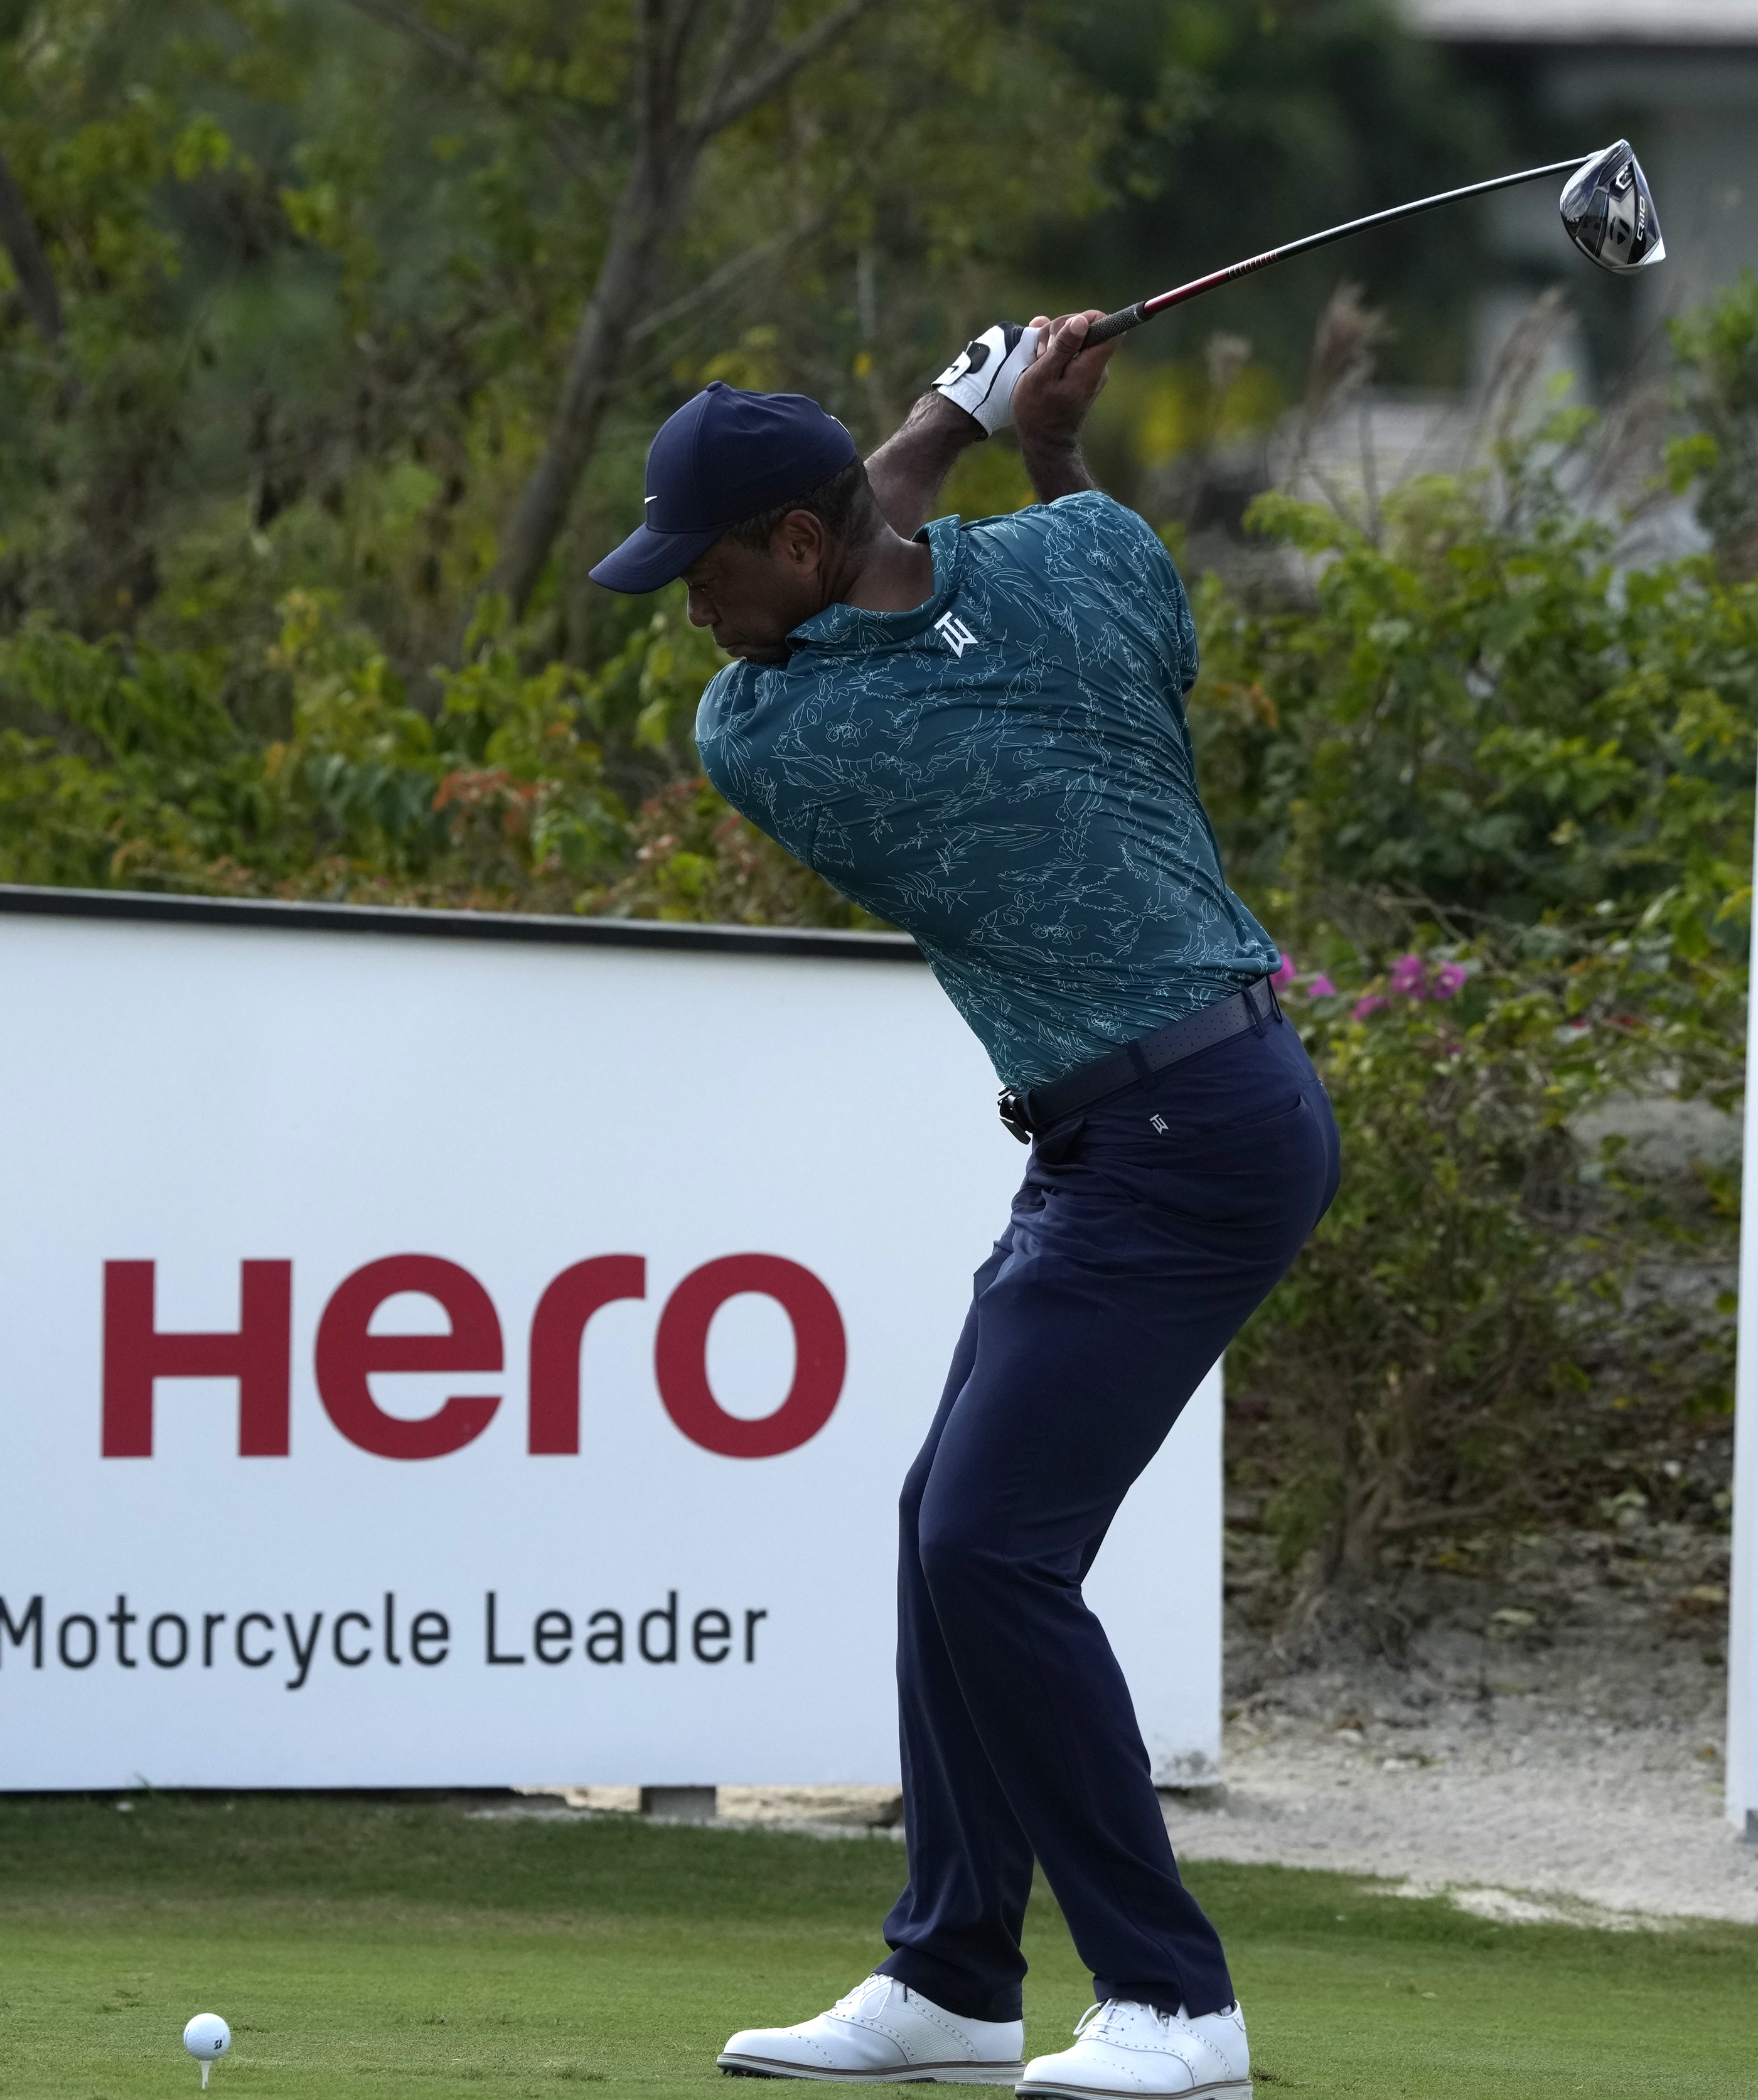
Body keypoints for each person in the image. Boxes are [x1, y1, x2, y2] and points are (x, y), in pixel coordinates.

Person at [587, 315, 1339, 2100]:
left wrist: (944, 409)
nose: (687, 614)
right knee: (952, 1519)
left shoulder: (778, 733)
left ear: (784, 545)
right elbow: (977, 555)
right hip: (1163, 1114)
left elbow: (865, 572)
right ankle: (951, 1975)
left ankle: (1174, 1998)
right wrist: (1026, 438)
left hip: (1179, 1131)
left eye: (698, 572)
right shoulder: (1091, 553)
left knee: (990, 1548)